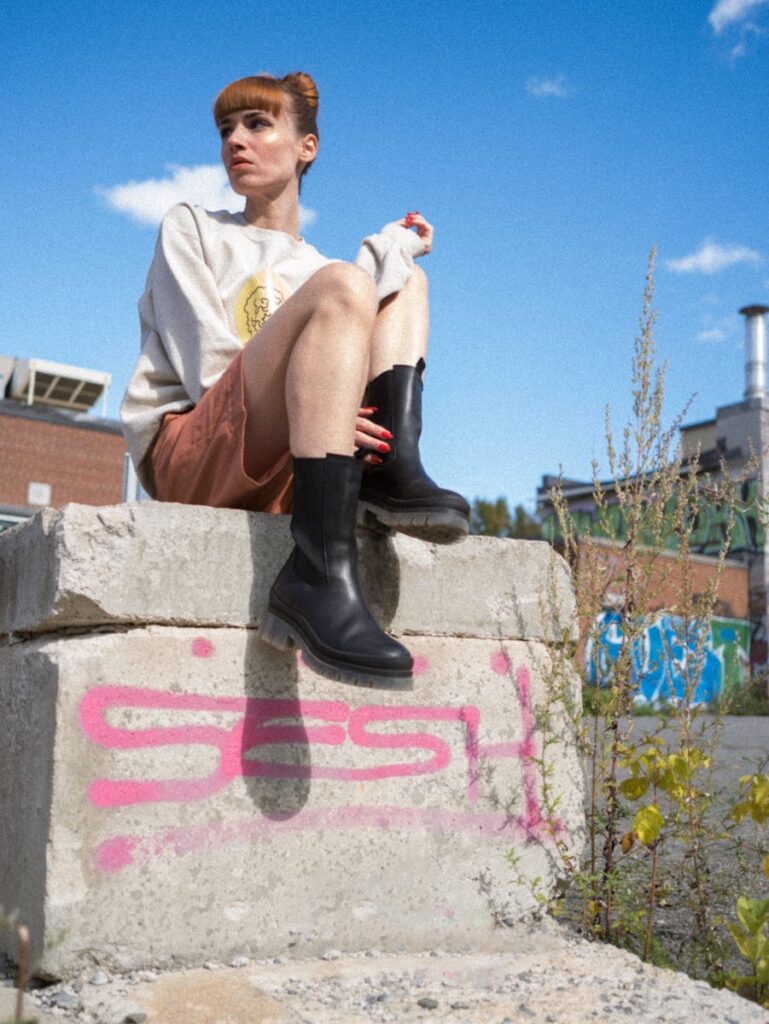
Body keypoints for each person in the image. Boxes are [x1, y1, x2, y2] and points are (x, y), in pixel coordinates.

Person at [121, 72, 469, 692]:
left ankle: (392, 469)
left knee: (404, 281)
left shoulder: (318, 270)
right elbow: (209, 369)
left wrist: (397, 246)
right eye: (226, 129)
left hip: (285, 467)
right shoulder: (193, 226)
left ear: (306, 146)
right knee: (345, 285)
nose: (235, 141)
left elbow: (358, 296)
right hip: (196, 450)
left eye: (257, 124)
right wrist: (324, 412)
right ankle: (317, 572)